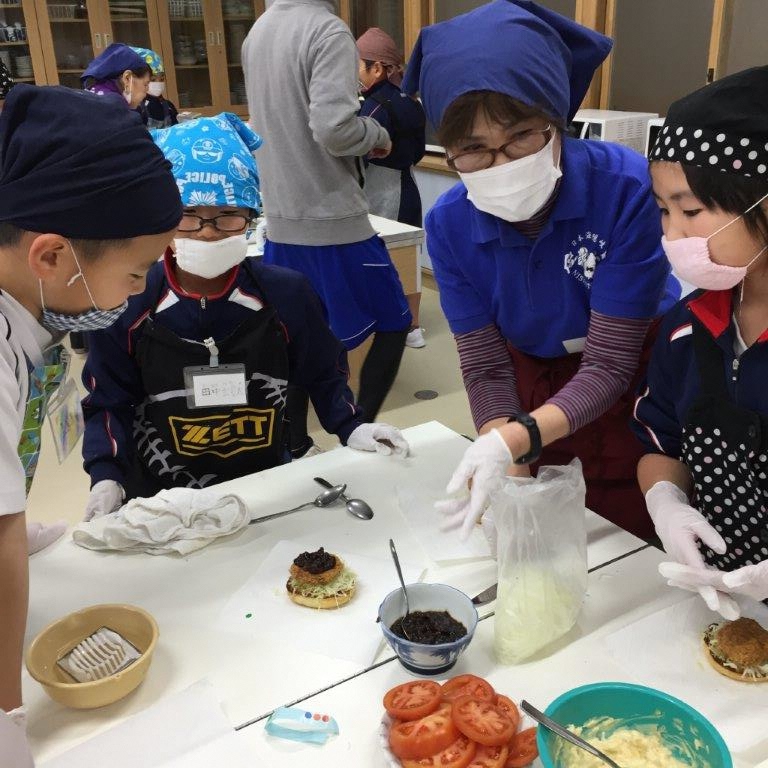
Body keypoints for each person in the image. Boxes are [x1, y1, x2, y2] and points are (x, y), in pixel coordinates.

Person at [402, 0, 680, 541]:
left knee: (628, 546)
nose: (500, 165)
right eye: (473, 150)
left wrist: (518, 436)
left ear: (556, 122)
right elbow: (485, 366)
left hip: (634, 378)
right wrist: (505, 450)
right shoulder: (451, 224)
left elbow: (609, 363)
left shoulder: (622, 188)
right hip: (530, 374)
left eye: (521, 137)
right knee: (532, 525)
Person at [81, 114, 409, 518]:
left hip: (264, 482)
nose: (207, 232)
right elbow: (107, 399)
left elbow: (323, 371)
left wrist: (351, 425)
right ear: (160, 217)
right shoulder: (127, 302)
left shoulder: (286, 295)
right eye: (188, 215)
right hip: (161, 492)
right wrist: (106, 474)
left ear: (251, 216)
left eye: (227, 215)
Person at [0, 84, 181, 752]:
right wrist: (7, 716)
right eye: (135, 274)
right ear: (51, 256)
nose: (139, 294)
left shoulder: (25, 309)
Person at [242, 0, 412, 457]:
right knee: (396, 321)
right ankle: (363, 431)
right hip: (333, 221)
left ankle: (296, 444)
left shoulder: (258, 33)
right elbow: (334, 130)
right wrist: (378, 137)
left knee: (298, 339)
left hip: (279, 223)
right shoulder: (327, 30)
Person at [634, 66, 768, 618]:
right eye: (664, 211)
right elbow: (659, 441)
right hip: (716, 602)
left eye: (690, 211)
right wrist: (667, 503)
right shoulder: (688, 328)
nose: (672, 235)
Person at [357, 27, 428, 349]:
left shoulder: (375, 105)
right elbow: (418, 150)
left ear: (377, 68)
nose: (353, 72)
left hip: (384, 190)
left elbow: (353, 146)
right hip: (408, 184)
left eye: (358, 64)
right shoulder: (409, 101)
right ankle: (414, 326)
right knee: (409, 254)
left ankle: (398, 326)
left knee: (385, 257)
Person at [81, 42, 150, 109]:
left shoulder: (95, 92)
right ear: (127, 78)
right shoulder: (115, 108)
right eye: (145, 84)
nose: (147, 89)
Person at [131, 46, 178, 129]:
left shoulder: (168, 106)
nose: (158, 83)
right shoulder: (136, 109)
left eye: (162, 79)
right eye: (153, 79)